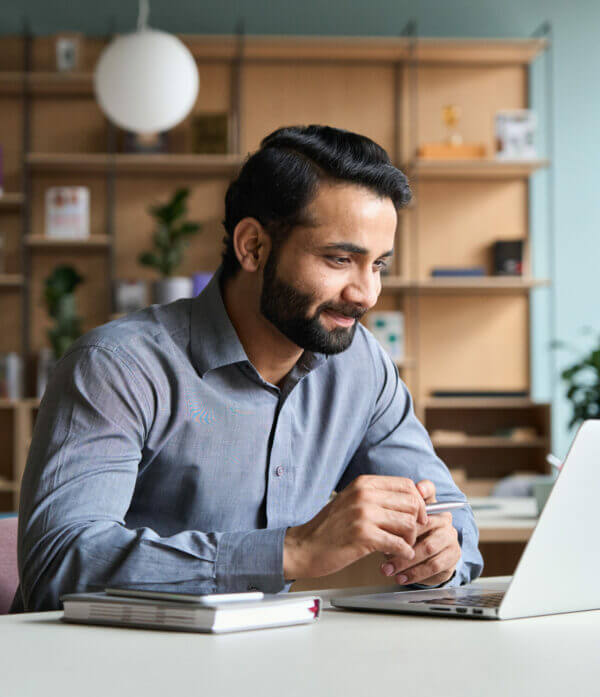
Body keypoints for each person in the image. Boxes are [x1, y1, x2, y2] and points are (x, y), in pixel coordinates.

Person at [12, 125, 483, 612]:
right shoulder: (118, 368)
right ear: (253, 246)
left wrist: (440, 556)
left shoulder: (362, 366)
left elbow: (453, 518)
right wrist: (292, 551)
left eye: (378, 266)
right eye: (340, 259)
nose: (365, 294)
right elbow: (58, 565)